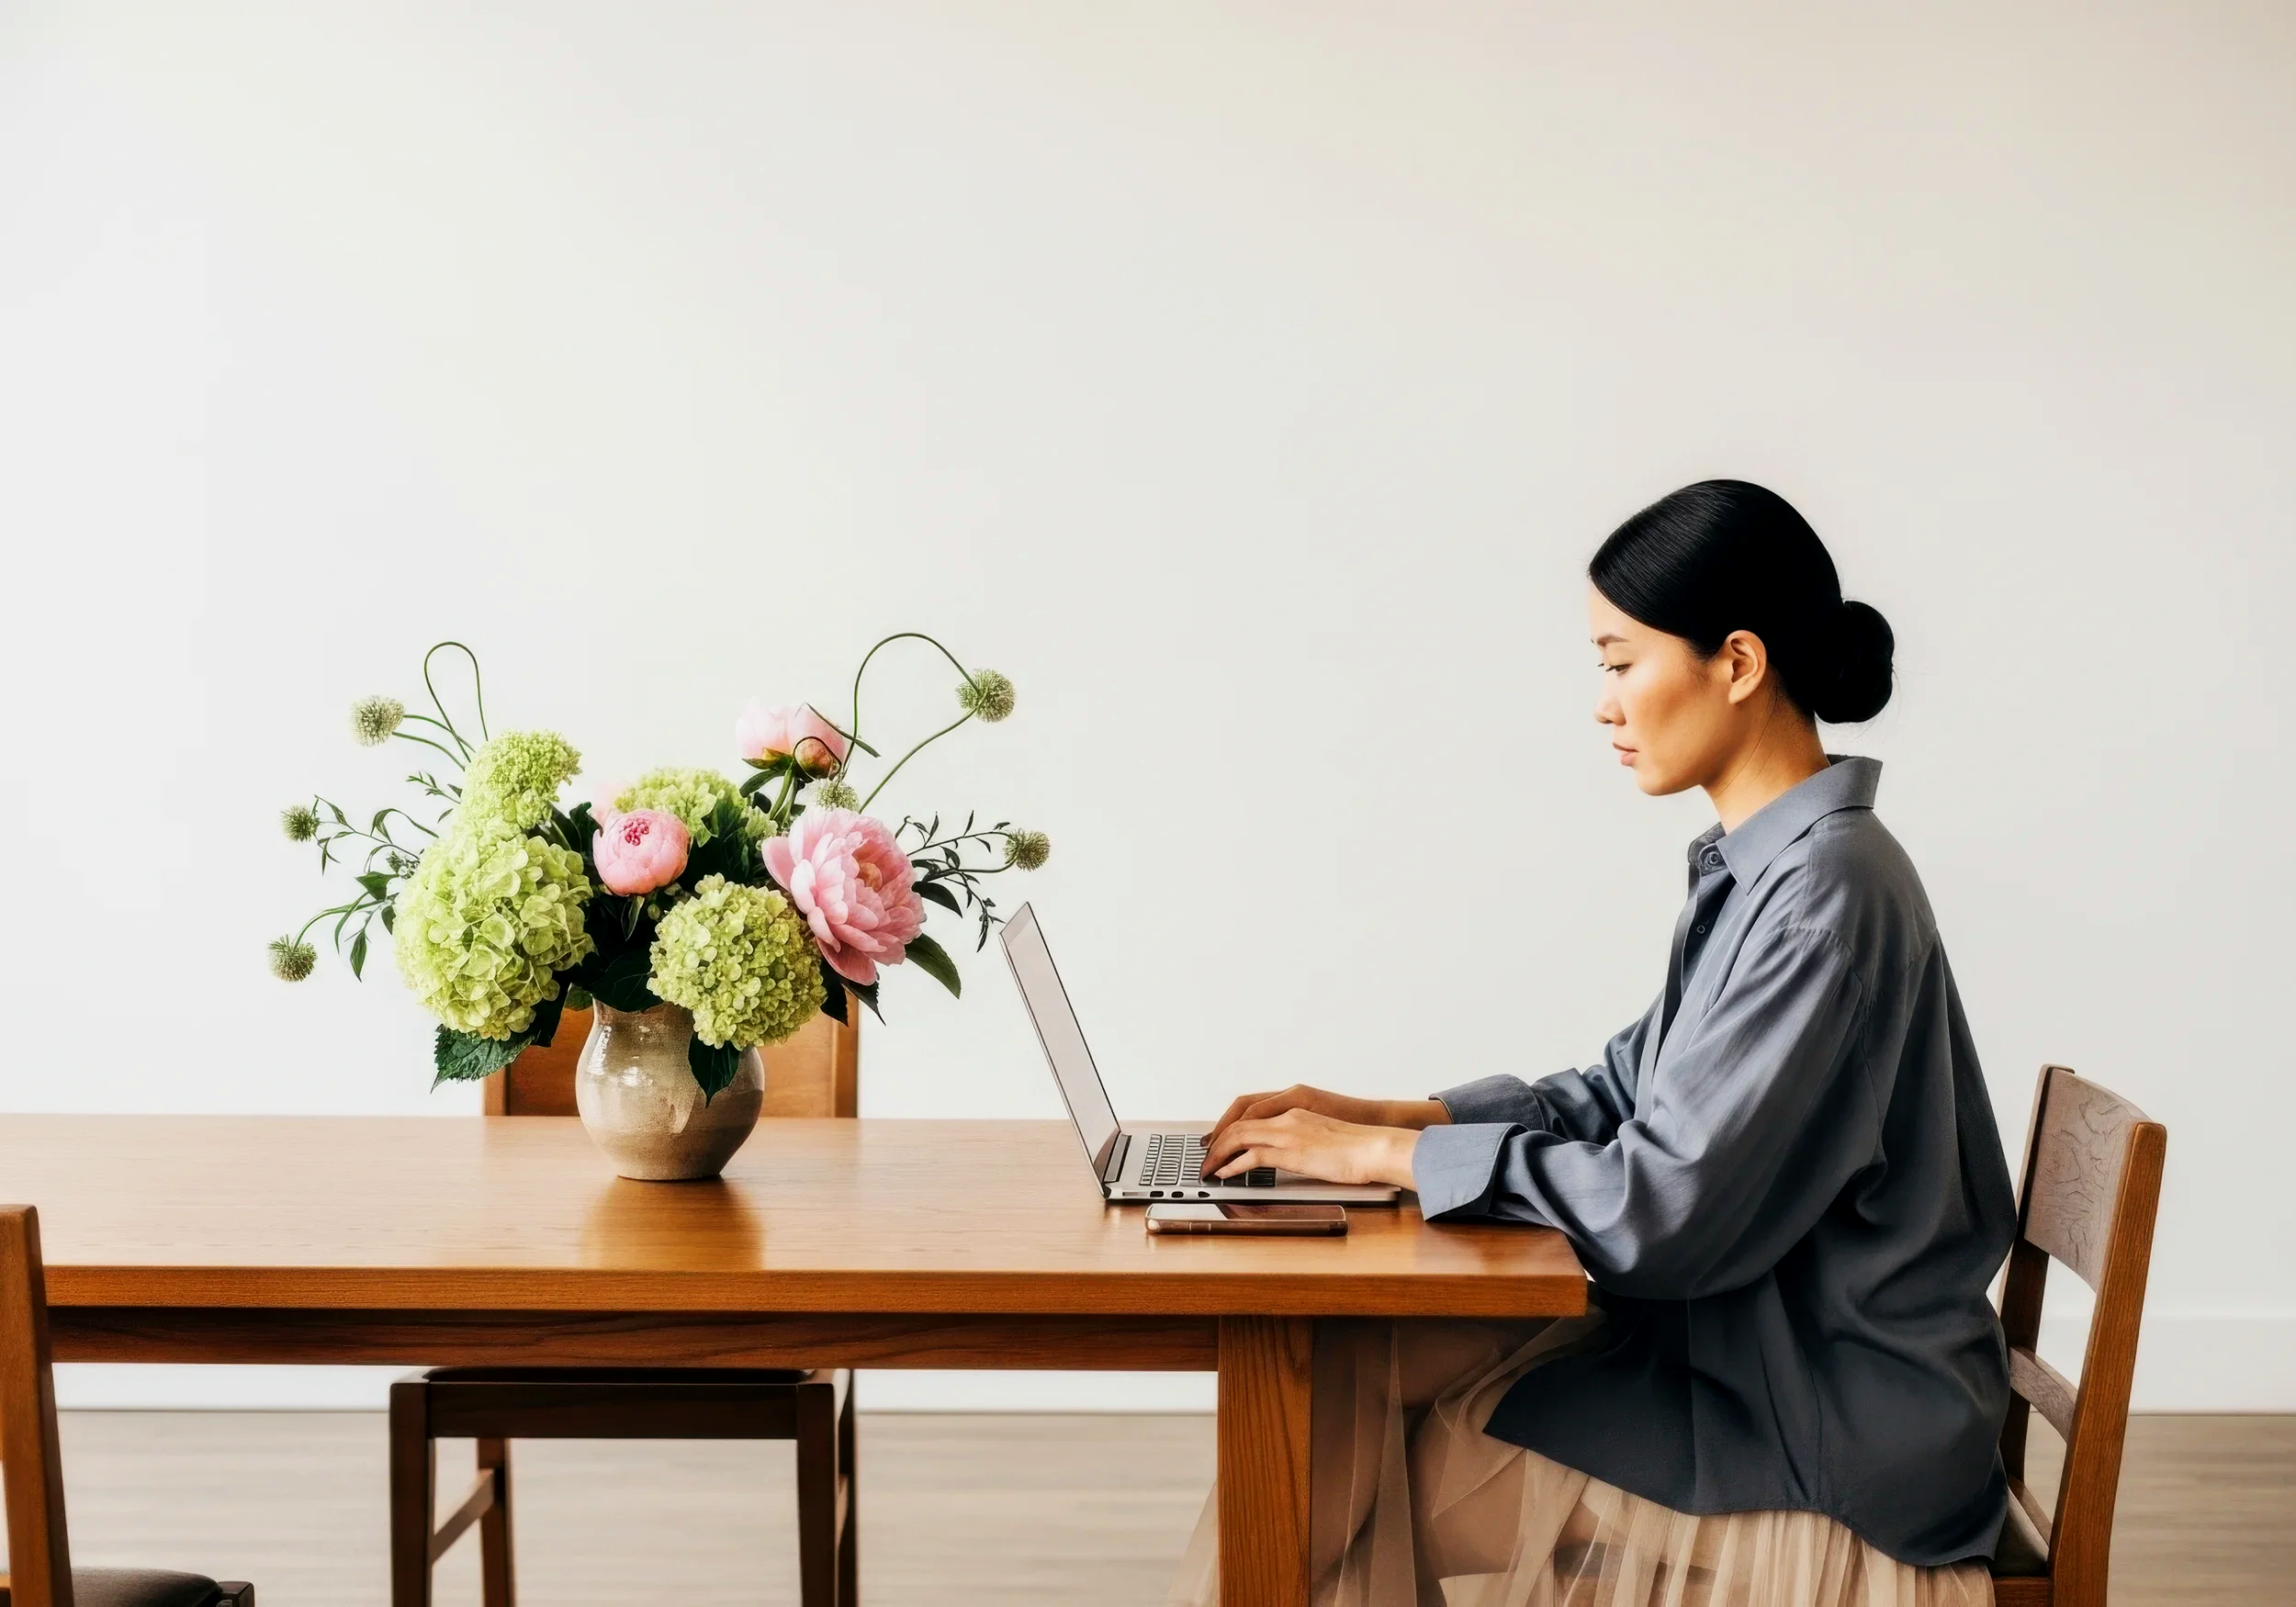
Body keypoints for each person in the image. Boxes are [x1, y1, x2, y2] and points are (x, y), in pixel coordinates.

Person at [1169, 481, 2015, 1607]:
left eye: (1620, 661)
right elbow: (1622, 1090)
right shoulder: (1774, 868)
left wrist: (1375, 1164)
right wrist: (1386, 1117)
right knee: (1339, 1387)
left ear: (1738, 663)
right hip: (1763, 1370)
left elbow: (1657, 1210)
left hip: (1826, 1433)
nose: (1603, 704)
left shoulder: (1823, 896)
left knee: (1322, 1460)